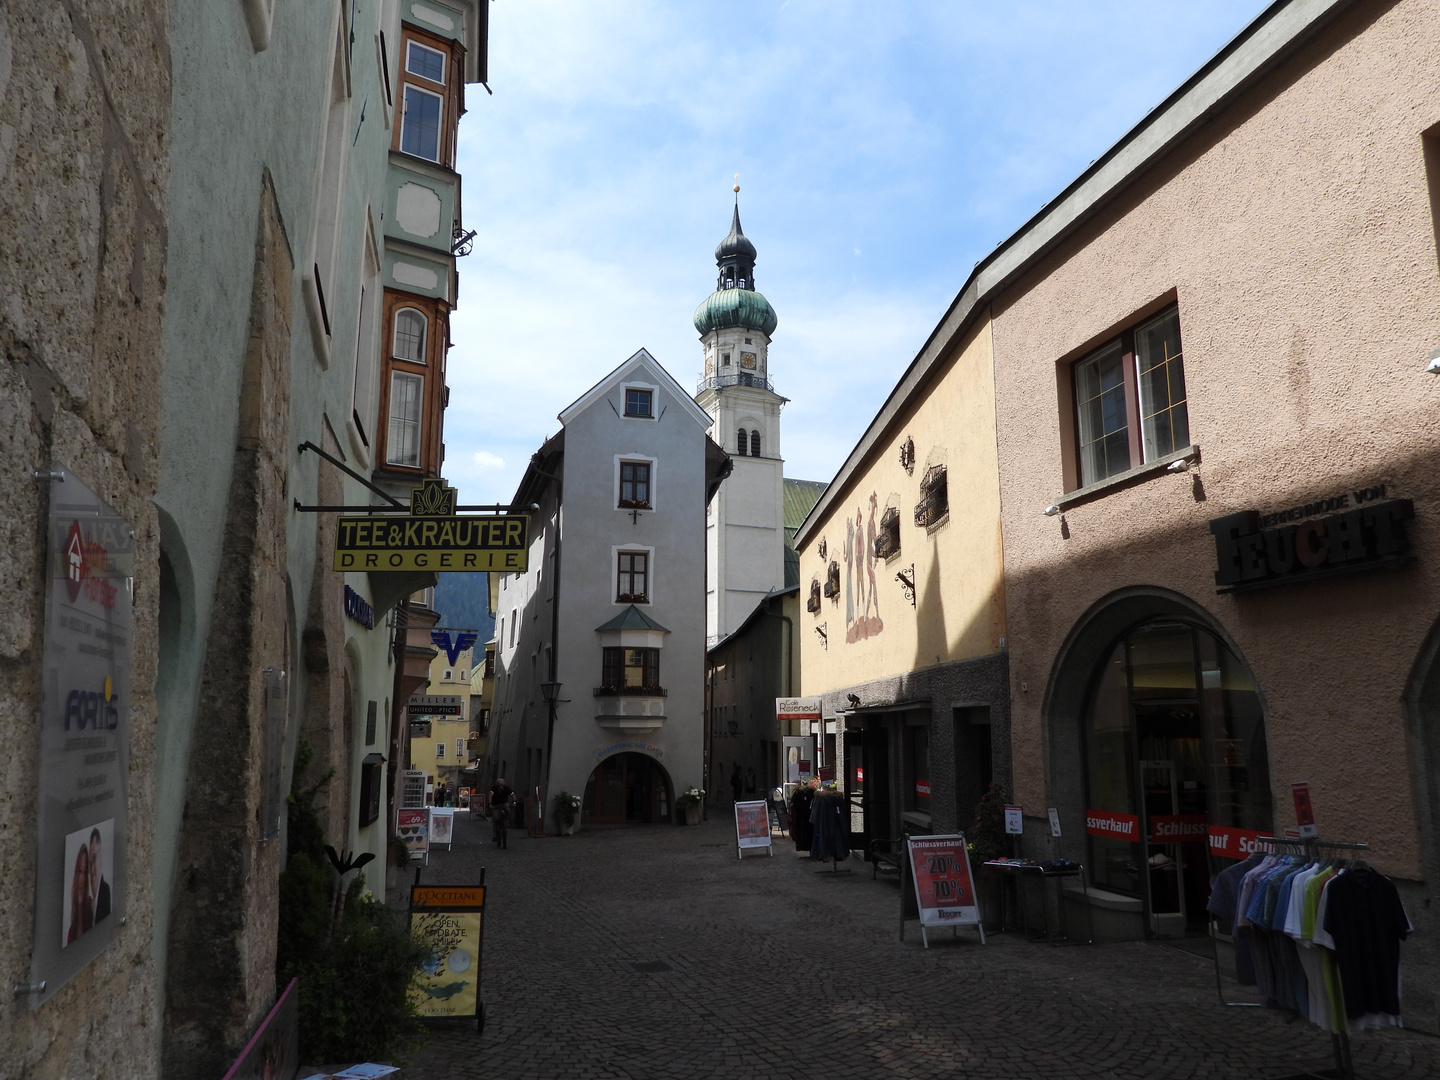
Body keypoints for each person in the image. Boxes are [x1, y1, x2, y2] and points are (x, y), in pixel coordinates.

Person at [66, 845, 93, 945]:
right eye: (80, 871)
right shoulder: (72, 930)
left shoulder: (91, 907)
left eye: (85, 872)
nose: (82, 879)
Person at [89, 828, 111, 924]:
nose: (92, 870)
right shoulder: (88, 903)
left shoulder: (105, 891)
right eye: (90, 864)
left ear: (101, 857)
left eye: (95, 858)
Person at [488, 777, 515, 848]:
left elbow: (513, 794)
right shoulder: (494, 789)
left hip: (503, 803)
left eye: (502, 785)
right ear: (497, 785)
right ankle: (495, 834)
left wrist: (514, 802)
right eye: (499, 785)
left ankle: (508, 821)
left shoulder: (506, 788)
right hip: (495, 805)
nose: (500, 786)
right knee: (495, 818)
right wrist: (490, 803)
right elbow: (490, 795)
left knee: (508, 809)